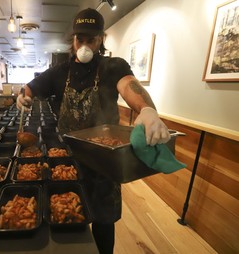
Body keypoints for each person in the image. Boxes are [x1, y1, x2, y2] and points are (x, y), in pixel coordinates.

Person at [16, 8, 170, 254]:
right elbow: (30, 87)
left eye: (91, 39)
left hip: (103, 160)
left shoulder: (113, 66)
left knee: (103, 221)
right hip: (65, 161)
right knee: (66, 216)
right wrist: (23, 96)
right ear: (73, 40)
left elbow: (130, 87)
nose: (85, 45)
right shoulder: (60, 72)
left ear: (100, 39)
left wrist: (147, 110)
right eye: (80, 39)